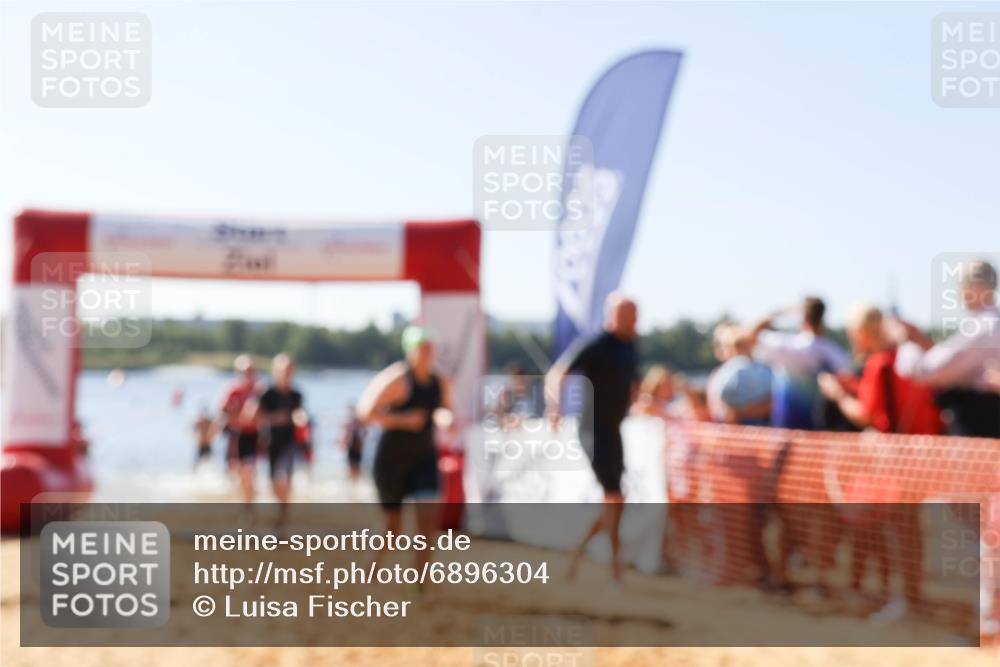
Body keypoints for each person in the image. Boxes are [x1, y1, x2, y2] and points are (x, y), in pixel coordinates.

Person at [818, 304, 941, 620]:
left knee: (900, 530)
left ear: (861, 334)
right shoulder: (902, 359)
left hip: (896, 459)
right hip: (922, 454)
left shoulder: (880, 364)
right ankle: (910, 597)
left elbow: (868, 414)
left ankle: (907, 599)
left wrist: (838, 395)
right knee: (907, 529)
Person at [546, 292, 639, 582]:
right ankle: (615, 565)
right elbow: (558, 373)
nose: (632, 320)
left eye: (634, 314)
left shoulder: (631, 347)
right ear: (612, 315)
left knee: (616, 500)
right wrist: (555, 408)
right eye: (626, 314)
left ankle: (579, 553)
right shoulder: (594, 344)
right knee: (614, 496)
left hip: (615, 430)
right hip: (592, 430)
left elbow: (633, 383)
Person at [357, 325, 454, 572]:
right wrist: (404, 420)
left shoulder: (439, 381)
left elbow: (444, 409)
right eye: (421, 348)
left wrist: (446, 419)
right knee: (392, 528)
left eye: (430, 348)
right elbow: (365, 412)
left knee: (427, 524)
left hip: (423, 457)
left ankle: (420, 583)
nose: (427, 353)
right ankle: (369, 571)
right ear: (410, 351)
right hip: (390, 459)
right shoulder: (396, 379)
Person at [893, 260, 1000, 437]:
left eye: (961, 286)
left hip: (979, 424)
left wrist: (905, 342)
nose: (959, 293)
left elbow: (927, 371)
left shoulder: (984, 327)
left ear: (974, 286)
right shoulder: (988, 325)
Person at [751, 296, 853, 430]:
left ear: (803, 316)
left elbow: (751, 334)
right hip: (823, 432)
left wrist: (778, 313)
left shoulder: (786, 347)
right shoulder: (835, 352)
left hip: (786, 431)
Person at [247, 353, 308, 528]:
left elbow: (299, 413)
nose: (287, 374)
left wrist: (300, 419)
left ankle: (284, 513)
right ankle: (279, 508)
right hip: (270, 443)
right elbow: (251, 417)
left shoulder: (296, 394)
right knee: (273, 482)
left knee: (286, 479)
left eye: (290, 370)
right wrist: (274, 418)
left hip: (290, 443)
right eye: (283, 370)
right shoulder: (267, 393)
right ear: (276, 371)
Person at [219, 354, 262, 514]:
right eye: (245, 371)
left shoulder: (260, 391)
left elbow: (262, 417)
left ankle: (248, 509)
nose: (248, 375)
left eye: (251, 371)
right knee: (236, 474)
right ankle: (245, 503)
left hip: (253, 437)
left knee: (248, 472)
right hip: (234, 438)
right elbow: (223, 413)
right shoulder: (232, 390)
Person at [712, 326, 773, 425]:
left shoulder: (726, 370)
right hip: (760, 423)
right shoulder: (765, 368)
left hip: (739, 423)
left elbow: (724, 397)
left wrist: (740, 412)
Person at [340, 404, 366, 482]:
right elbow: (364, 433)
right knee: (355, 466)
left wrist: (342, 443)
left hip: (355, 446)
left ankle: (353, 483)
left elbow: (346, 435)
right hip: (356, 446)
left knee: (352, 466)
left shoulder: (350, 421)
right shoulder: (359, 421)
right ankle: (355, 483)